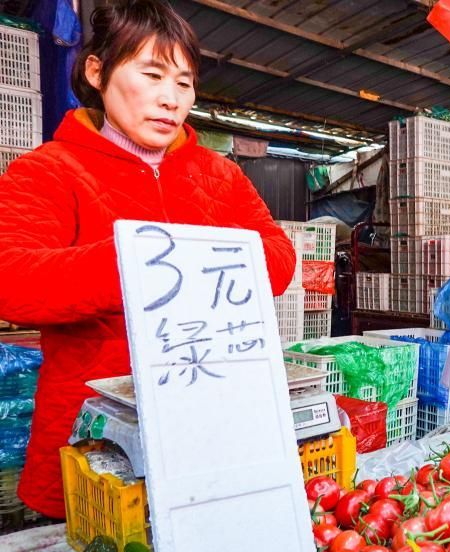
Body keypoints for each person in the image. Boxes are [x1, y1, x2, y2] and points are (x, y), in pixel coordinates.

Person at [0, 0, 297, 517]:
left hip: (208, 422)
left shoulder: (218, 174)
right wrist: (144, 265)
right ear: (97, 71)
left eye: (184, 83)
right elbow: (14, 279)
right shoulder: (49, 170)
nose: (170, 98)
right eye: (152, 74)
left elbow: (277, 258)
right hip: (94, 437)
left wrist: (188, 263)